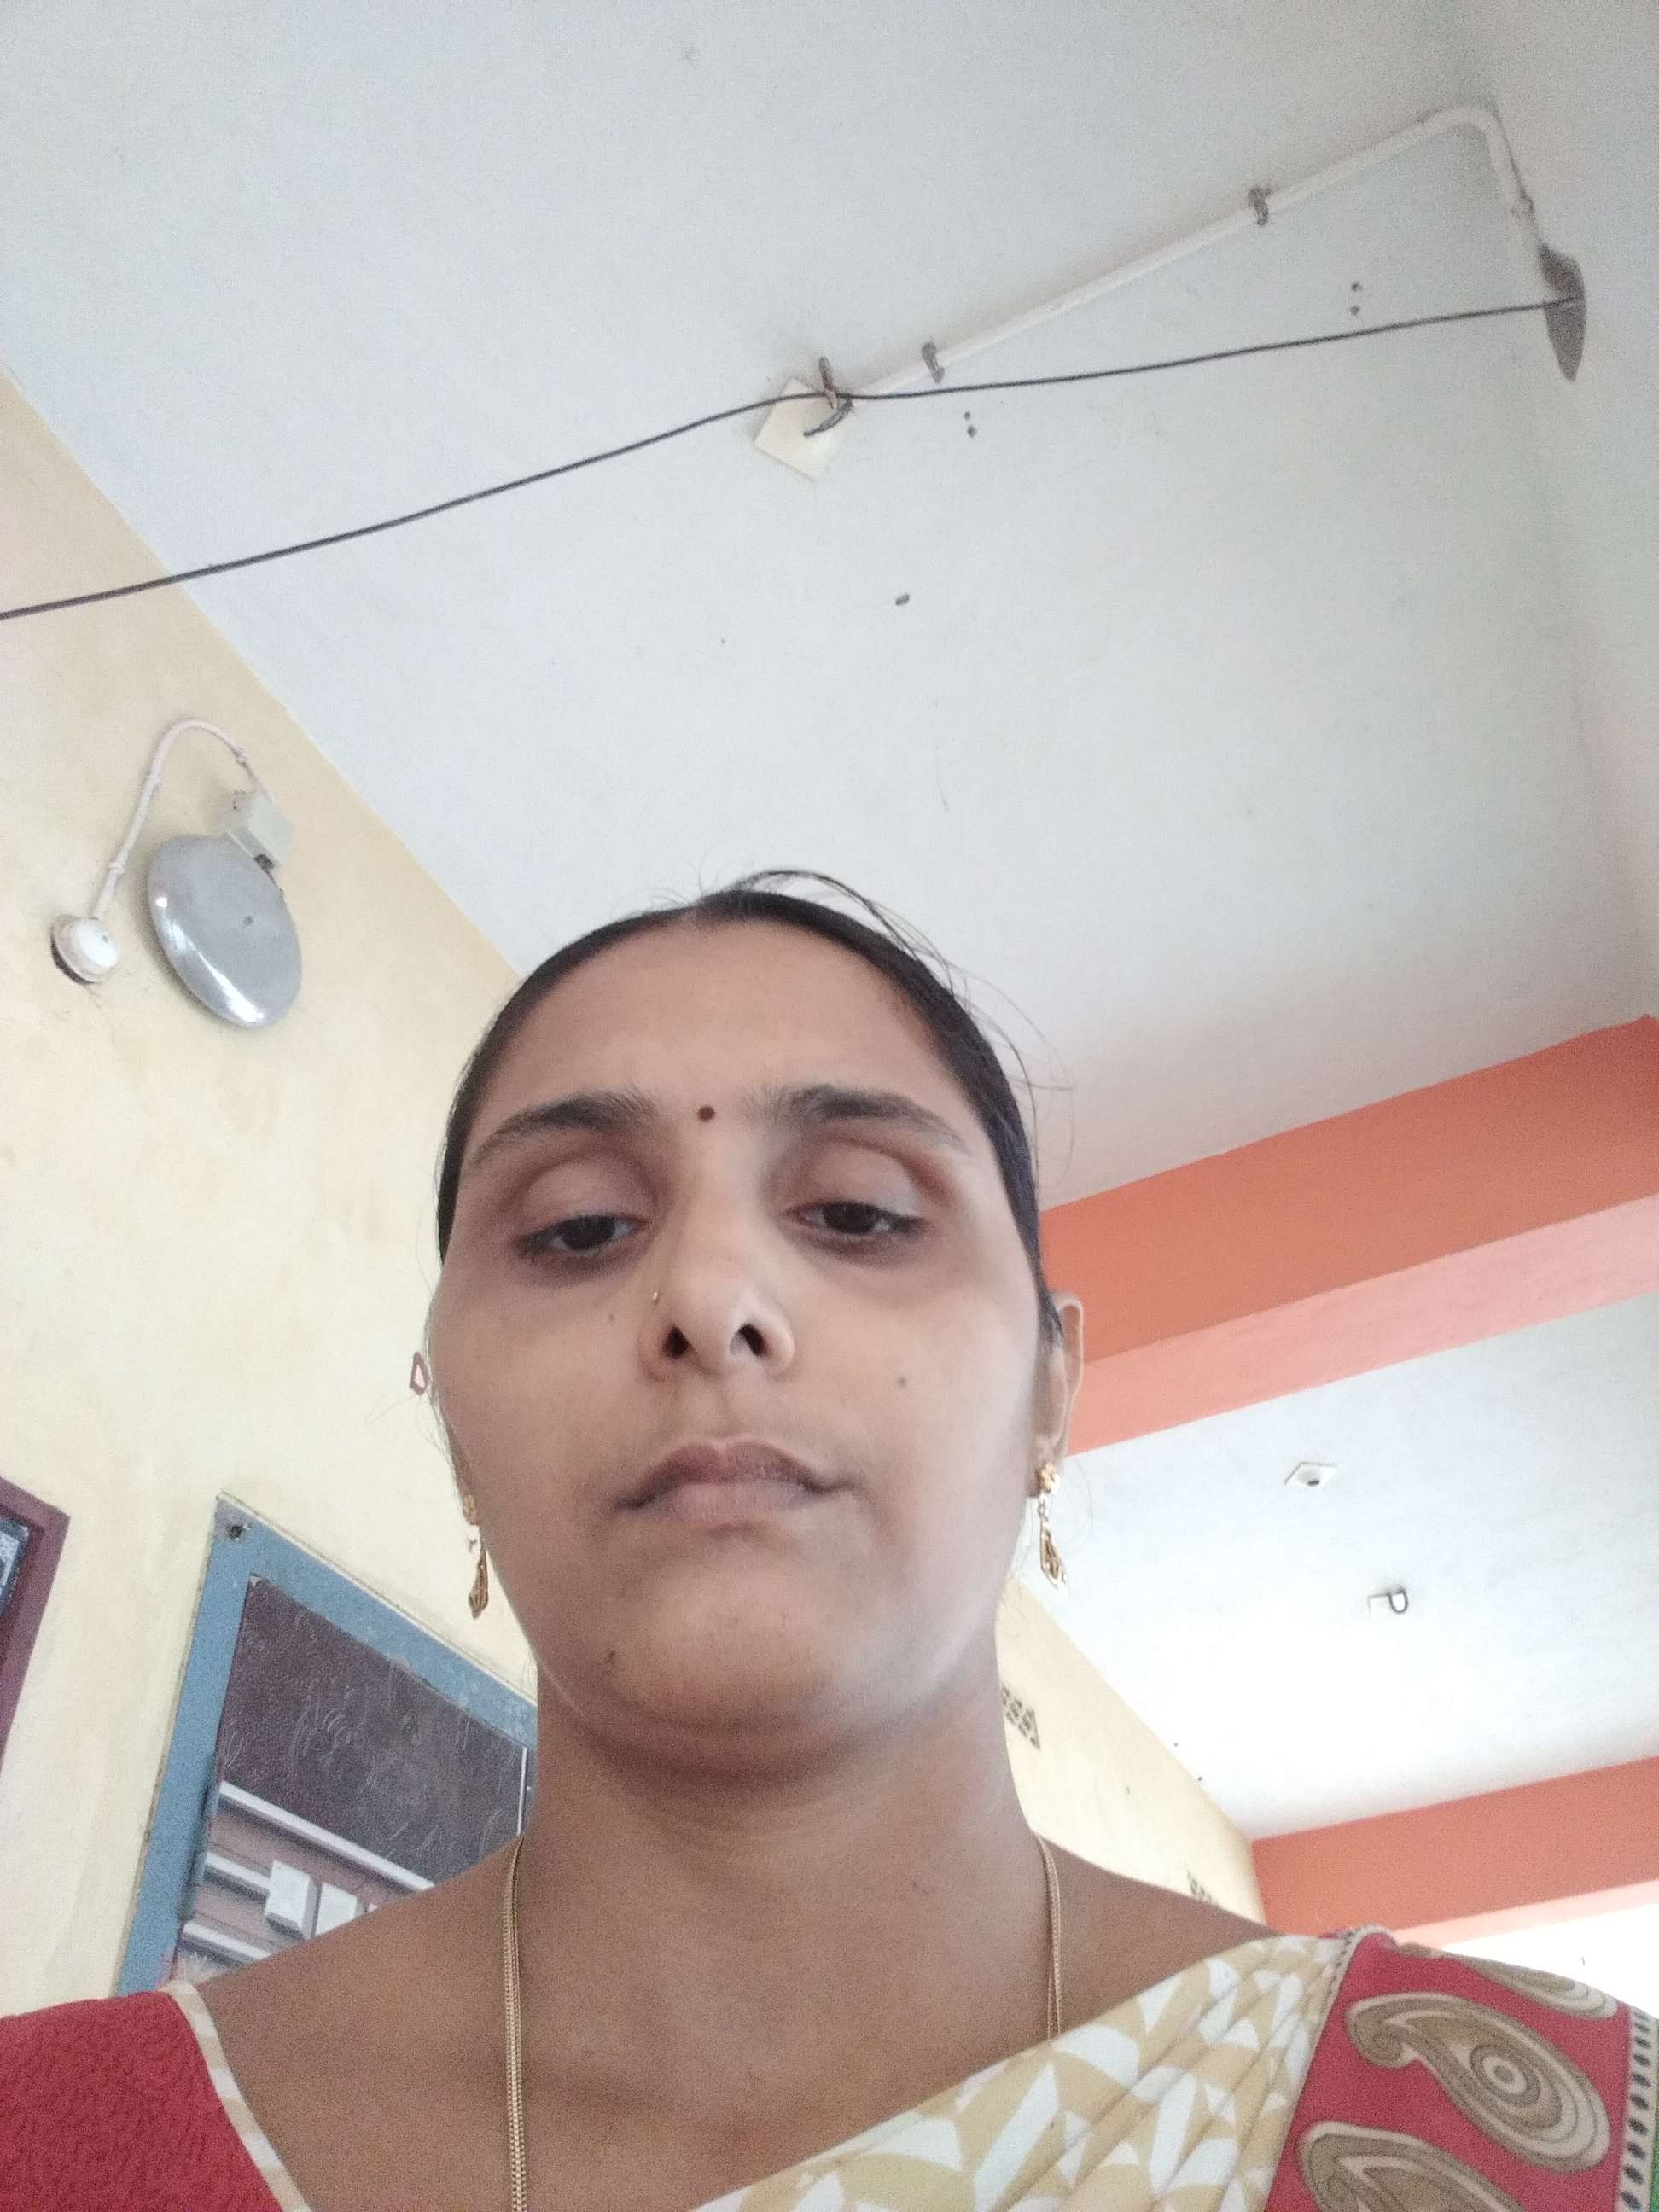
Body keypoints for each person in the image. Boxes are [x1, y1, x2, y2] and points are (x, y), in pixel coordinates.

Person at [3, 873, 1650, 2212]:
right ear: (449, 1417)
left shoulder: (1531, 2134)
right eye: (578, 1228)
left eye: (858, 1211)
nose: (710, 1297)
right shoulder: (48, 2147)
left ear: (1052, 1387)